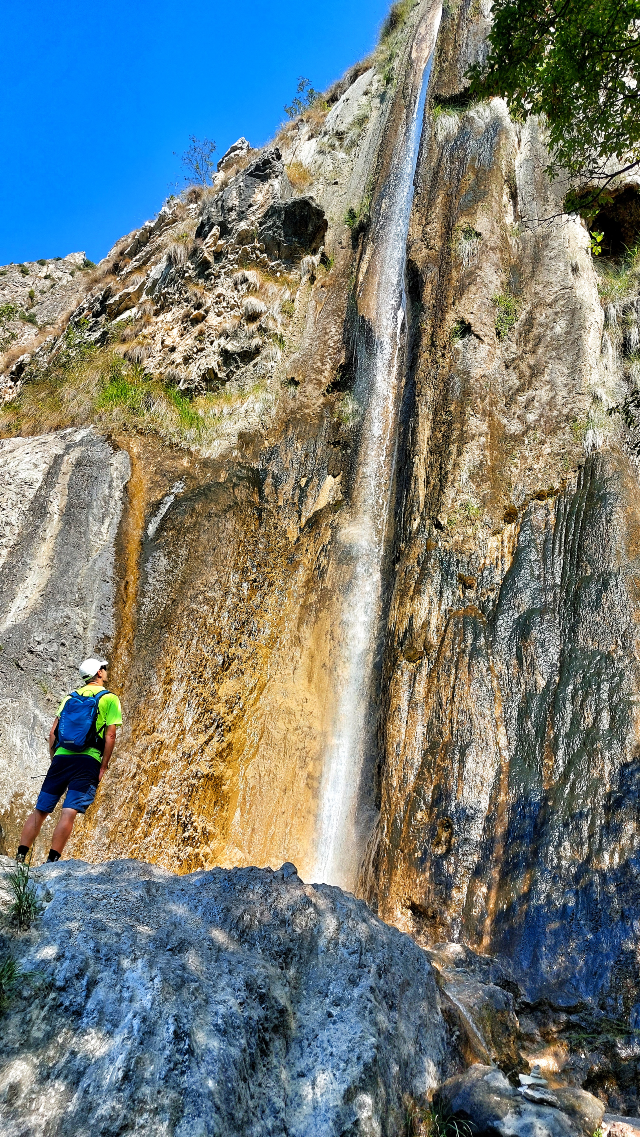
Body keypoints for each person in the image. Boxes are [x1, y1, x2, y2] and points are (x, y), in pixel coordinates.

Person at [16, 658, 122, 864]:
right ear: (98, 673)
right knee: (69, 811)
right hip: (87, 760)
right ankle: (52, 861)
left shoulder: (69, 697)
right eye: (104, 668)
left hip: (61, 758)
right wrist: (103, 764)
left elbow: (52, 734)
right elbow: (110, 736)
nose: (106, 671)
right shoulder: (109, 698)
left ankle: (20, 856)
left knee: (41, 809)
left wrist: (54, 758)